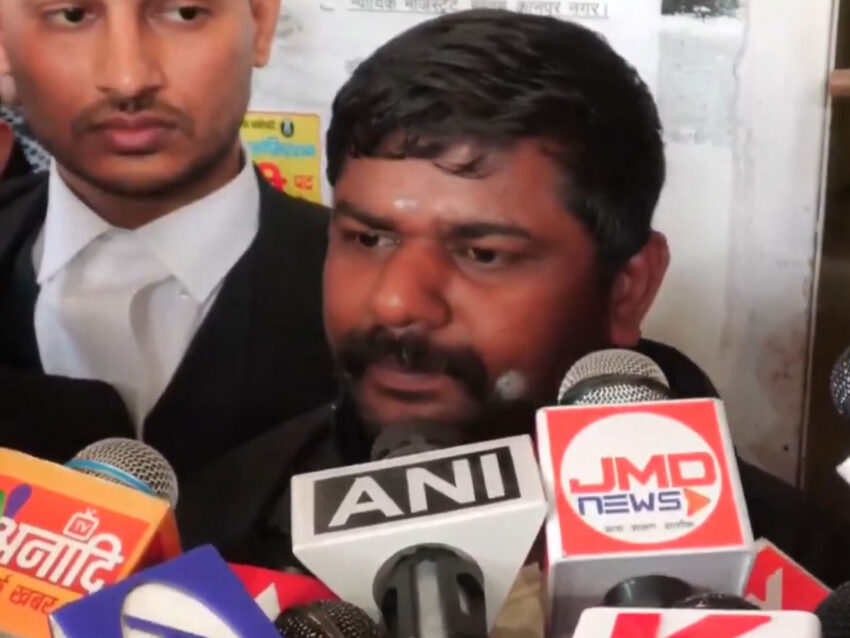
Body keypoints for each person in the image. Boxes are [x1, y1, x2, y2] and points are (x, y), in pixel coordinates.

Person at [203, 9, 850, 604]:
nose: (396, 302)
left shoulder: (807, 575)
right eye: (369, 239)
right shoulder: (222, 532)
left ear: (628, 287)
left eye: (482, 253)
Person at [0, 1, 336, 477]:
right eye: (73, 15)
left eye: (183, 12)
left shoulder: (382, 303)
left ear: (260, 21)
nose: (128, 79)